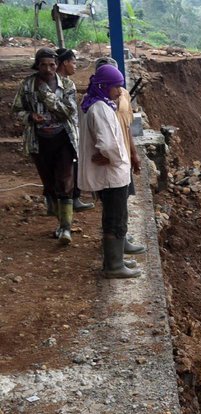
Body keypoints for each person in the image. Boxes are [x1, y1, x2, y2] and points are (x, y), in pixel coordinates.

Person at [78, 63, 140, 279]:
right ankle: (114, 266)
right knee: (115, 219)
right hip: (113, 176)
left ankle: (117, 259)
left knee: (114, 216)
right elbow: (108, 145)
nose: (118, 91)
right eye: (116, 87)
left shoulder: (95, 103)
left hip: (110, 174)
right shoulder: (101, 109)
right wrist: (116, 158)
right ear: (105, 86)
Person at [12, 47, 79, 244]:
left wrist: (46, 96)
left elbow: (68, 112)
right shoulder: (27, 85)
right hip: (39, 140)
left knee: (65, 180)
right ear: (37, 65)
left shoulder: (67, 85)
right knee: (49, 182)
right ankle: (60, 220)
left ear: (57, 65)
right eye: (43, 65)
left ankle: (66, 228)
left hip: (63, 139)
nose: (48, 69)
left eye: (52, 65)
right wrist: (30, 116)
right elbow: (17, 110)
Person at [94, 56, 144, 255]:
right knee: (113, 205)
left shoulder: (122, 96)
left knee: (122, 201)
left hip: (121, 158)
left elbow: (127, 126)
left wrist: (133, 153)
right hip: (110, 161)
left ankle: (122, 240)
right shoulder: (97, 104)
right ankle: (115, 255)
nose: (116, 87)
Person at [54, 47, 94, 213]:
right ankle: (71, 199)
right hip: (63, 132)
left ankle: (66, 199)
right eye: (73, 62)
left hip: (64, 130)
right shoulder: (63, 84)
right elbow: (68, 110)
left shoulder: (59, 82)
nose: (75, 66)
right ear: (65, 63)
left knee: (67, 166)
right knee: (70, 166)